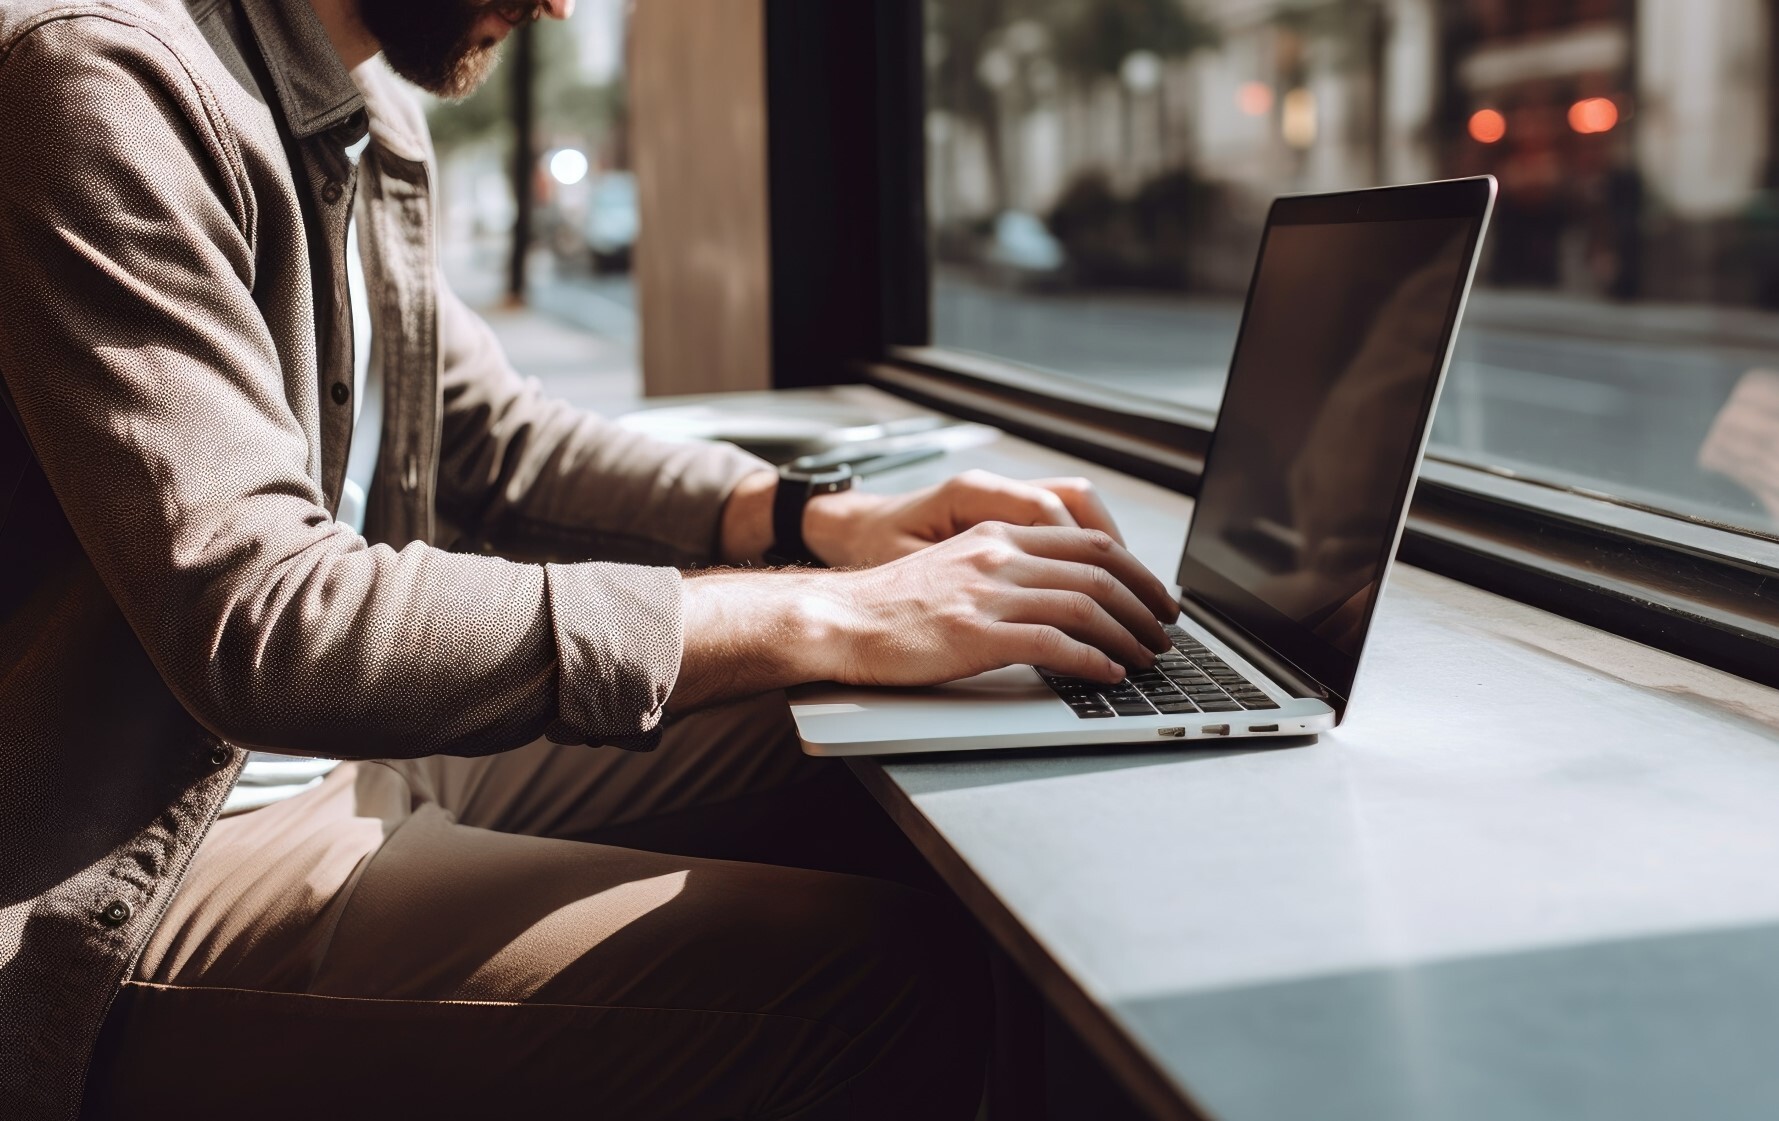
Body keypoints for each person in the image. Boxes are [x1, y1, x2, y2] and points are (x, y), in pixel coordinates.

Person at [0, 0, 1180, 1117]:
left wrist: (809, 522)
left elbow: (495, 437)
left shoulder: (360, 105)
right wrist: (824, 615)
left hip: (339, 754)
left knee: (886, 740)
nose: (564, 7)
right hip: (147, 862)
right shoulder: (103, 81)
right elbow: (274, 621)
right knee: (880, 983)